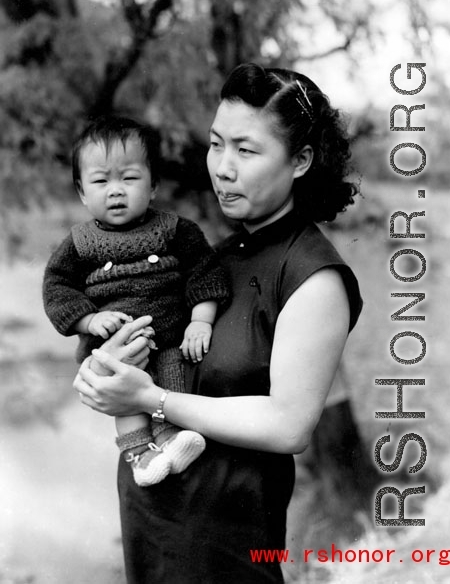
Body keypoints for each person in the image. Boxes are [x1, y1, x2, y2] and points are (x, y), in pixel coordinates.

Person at [74, 63, 363, 583]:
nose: (222, 167)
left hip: (230, 547)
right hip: (155, 524)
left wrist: (149, 400)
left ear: (300, 161)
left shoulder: (313, 277)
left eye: (246, 151)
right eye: (215, 144)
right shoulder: (214, 257)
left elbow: (288, 424)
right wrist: (103, 372)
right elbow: (155, 353)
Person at [43, 115, 230, 487]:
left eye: (129, 178)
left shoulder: (176, 230)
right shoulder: (79, 243)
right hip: (115, 345)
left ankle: (169, 437)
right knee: (121, 387)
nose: (115, 190)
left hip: (172, 337)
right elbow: (57, 286)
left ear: (154, 185)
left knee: (172, 373)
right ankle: (140, 457)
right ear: (82, 193)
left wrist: (201, 321)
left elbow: (205, 272)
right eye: (100, 181)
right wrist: (88, 321)